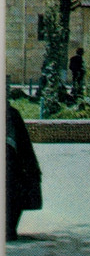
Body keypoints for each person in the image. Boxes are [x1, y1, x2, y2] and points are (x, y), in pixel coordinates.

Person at [6, 102, 42, 241]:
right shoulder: (12, 114)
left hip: (13, 164)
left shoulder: (12, 115)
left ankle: (8, 229)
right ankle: (8, 229)